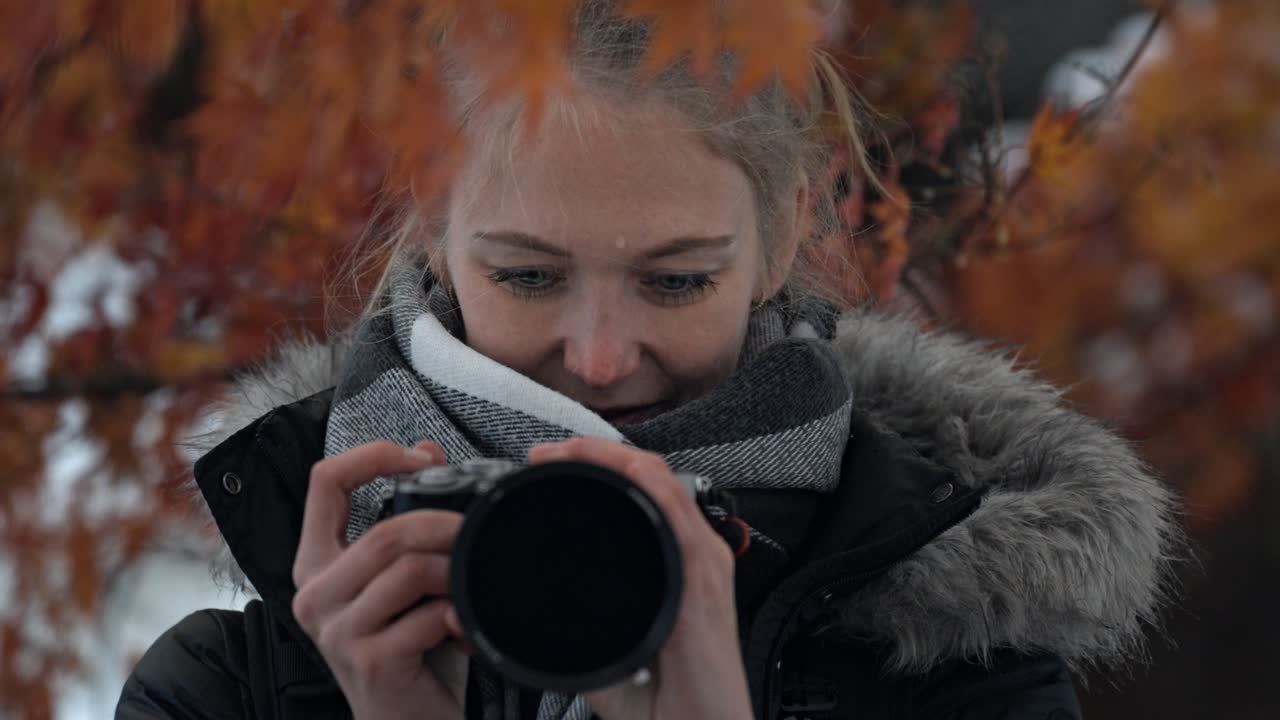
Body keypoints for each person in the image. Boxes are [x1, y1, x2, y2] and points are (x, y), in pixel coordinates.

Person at [116, 3, 1180, 719]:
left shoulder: (964, 679)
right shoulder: (226, 688)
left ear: (781, 234)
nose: (598, 357)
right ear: (432, 226)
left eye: (675, 282)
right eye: (528, 277)